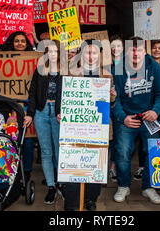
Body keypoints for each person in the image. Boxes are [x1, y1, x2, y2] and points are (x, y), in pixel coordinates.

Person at [59, 39, 116, 211]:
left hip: (98, 128)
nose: (90, 56)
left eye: (94, 53)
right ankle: (72, 200)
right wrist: (62, 112)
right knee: (74, 162)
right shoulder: (71, 71)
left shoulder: (107, 74)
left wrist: (112, 96)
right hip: (76, 127)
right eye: (87, 52)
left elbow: (109, 104)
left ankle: (91, 199)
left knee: (94, 165)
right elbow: (64, 98)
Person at [112, 36, 160, 205]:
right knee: (122, 152)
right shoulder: (117, 69)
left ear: (145, 51)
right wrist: (123, 118)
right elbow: (114, 98)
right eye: (132, 49)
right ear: (127, 51)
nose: (136, 53)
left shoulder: (154, 67)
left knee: (153, 152)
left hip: (148, 117)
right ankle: (123, 185)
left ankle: (148, 187)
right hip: (127, 117)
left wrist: (155, 111)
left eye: (140, 49)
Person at [24, 40, 62, 205]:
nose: (52, 54)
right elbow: (32, 92)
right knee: (46, 151)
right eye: (49, 51)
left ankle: (61, 183)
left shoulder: (67, 71)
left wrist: (65, 110)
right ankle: (52, 187)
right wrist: (30, 113)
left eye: (55, 51)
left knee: (59, 150)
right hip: (41, 112)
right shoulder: (40, 69)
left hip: (59, 114)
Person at [0, 31, 36, 183]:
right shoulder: (2, 60)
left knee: (26, 143)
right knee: (9, 140)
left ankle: (26, 173)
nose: (20, 44)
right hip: (8, 108)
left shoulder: (35, 61)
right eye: (17, 41)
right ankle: (9, 171)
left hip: (27, 108)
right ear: (11, 43)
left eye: (23, 41)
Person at [109, 35, 124, 182]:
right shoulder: (105, 64)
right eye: (113, 46)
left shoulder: (128, 64)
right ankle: (111, 166)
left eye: (118, 46)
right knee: (110, 138)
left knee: (120, 137)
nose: (115, 49)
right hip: (108, 104)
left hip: (122, 106)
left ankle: (115, 165)